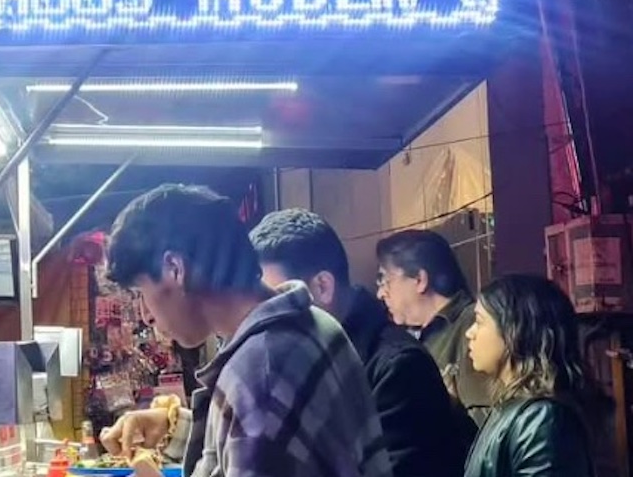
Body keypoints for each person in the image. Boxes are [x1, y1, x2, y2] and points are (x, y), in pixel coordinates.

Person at [100, 185, 392, 477]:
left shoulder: (259, 375)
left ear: (175, 268)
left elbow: (258, 422)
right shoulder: (309, 321)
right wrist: (173, 427)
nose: (145, 315)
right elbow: (266, 442)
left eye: (141, 291)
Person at [247, 208, 472, 476]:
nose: (266, 315)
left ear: (322, 286)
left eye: (277, 298)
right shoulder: (303, 358)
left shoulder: (396, 368)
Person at [463, 274, 594, 476]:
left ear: (515, 331)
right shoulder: (515, 410)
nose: (469, 333)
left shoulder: (541, 419)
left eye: (479, 322)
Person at [375, 229, 491, 425]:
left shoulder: (472, 327)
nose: (380, 293)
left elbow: (485, 427)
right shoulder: (408, 338)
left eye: (386, 281)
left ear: (420, 280)